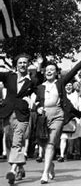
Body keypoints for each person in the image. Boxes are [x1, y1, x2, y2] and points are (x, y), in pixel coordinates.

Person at [35, 56, 81, 184]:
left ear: (56, 72)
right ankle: (51, 165)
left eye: (52, 70)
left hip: (58, 115)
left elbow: (73, 71)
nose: (49, 71)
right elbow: (38, 101)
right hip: (44, 116)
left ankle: (44, 174)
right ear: (44, 72)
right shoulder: (40, 86)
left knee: (50, 143)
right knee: (43, 145)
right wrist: (38, 107)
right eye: (47, 69)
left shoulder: (60, 83)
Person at [0, 54, 39, 185]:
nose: (23, 65)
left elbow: (40, 93)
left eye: (25, 62)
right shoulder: (8, 76)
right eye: (20, 62)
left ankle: (12, 170)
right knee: (9, 140)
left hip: (22, 115)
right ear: (16, 64)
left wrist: (35, 103)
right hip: (7, 113)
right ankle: (20, 167)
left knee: (17, 141)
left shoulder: (32, 80)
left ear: (28, 65)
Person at [58, 81, 81, 162]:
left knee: (76, 137)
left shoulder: (76, 94)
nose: (68, 87)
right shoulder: (62, 96)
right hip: (65, 119)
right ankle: (62, 155)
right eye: (66, 85)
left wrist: (79, 80)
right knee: (63, 137)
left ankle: (77, 153)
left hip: (75, 118)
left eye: (70, 85)